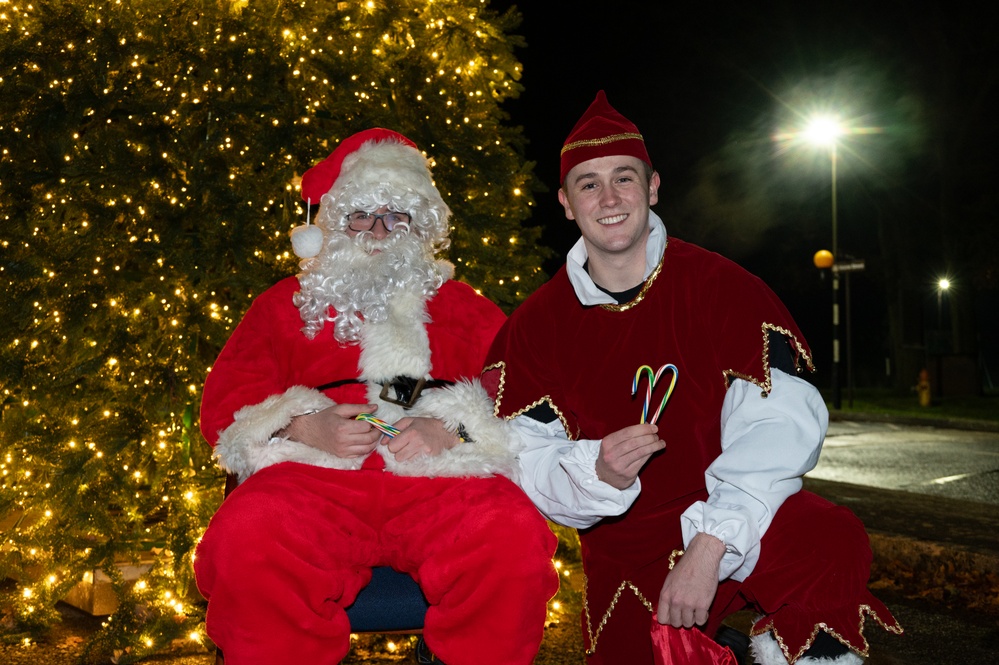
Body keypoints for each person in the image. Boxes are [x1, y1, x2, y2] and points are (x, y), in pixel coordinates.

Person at [483, 92, 903, 665]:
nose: (608, 198)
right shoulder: (535, 326)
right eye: (588, 183)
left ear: (652, 188)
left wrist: (712, 542)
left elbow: (780, 423)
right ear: (565, 202)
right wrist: (596, 471)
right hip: (625, 556)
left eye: (624, 178)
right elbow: (521, 459)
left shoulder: (723, 290)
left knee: (828, 539)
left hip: (733, 518)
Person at [194, 128, 558, 665]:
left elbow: (527, 399)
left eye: (396, 217)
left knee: (512, 538)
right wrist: (302, 423)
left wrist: (451, 426)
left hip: (440, 480)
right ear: (333, 225)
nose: (378, 231)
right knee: (249, 536)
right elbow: (226, 402)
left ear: (419, 229)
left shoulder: (464, 308)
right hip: (314, 478)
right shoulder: (283, 305)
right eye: (362, 215)